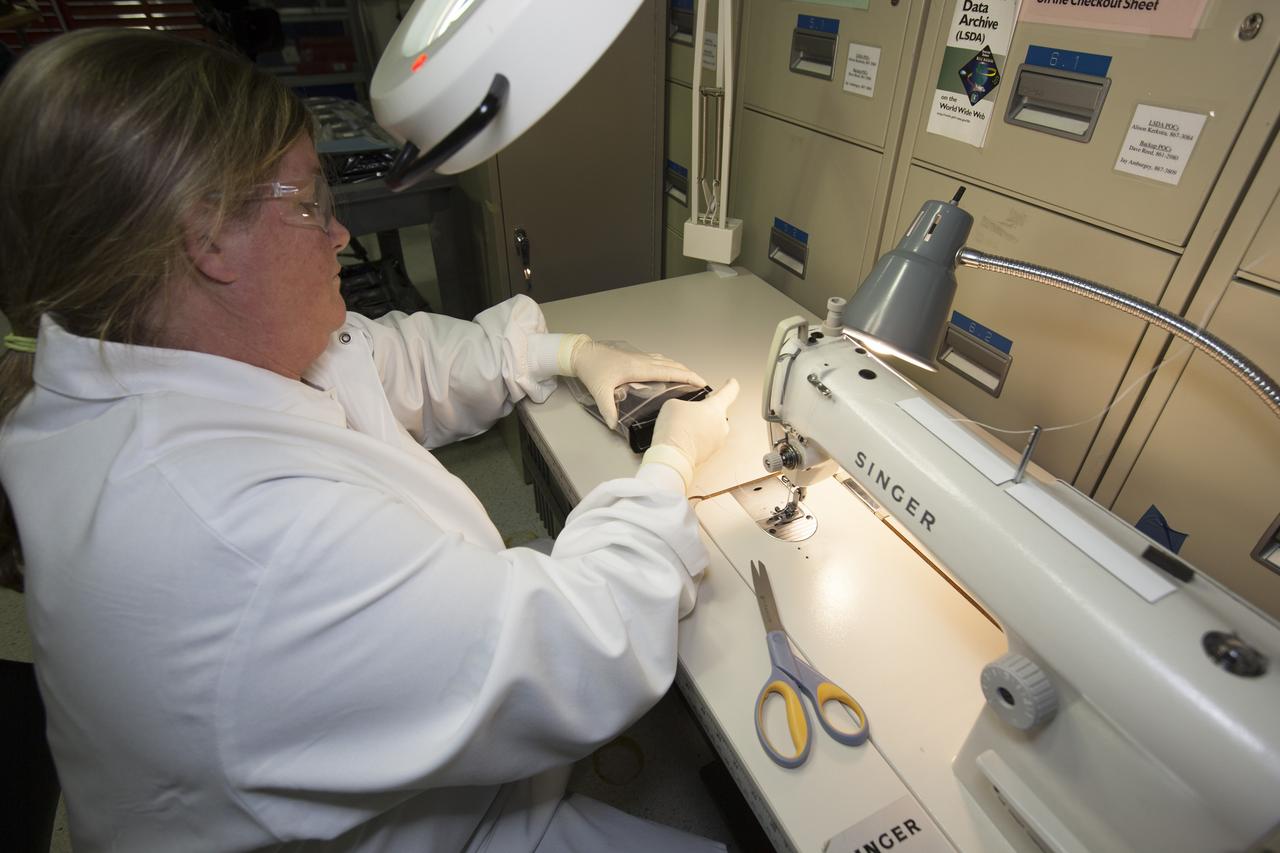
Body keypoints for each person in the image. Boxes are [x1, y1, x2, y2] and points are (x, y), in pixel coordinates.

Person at [0, 29, 740, 852]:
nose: (340, 235)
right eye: (312, 203)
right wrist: (670, 467)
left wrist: (563, 352)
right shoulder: (235, 535)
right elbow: (580, 649)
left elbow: (382, 355)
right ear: (206, 238)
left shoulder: (159, 355)